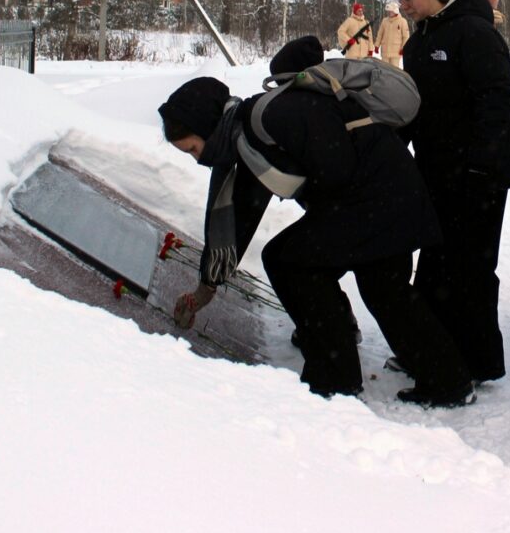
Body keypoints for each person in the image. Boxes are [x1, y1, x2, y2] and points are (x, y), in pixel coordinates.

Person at [160, 37, 473, 406]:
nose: (198, 159)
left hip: (377, 199)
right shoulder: (244, 137)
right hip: (386, 195)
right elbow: (241, 216)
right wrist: (206, 287)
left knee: (290, 261)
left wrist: (321, 211)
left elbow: (336, 165)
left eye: (194, 149)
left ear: (206, 126)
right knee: (382, 288)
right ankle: (446, 380)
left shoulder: (269, 118)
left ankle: (335, 373)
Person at [391, 0, 510, 385]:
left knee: (470, 268)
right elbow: (414, 108)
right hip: (437, 171)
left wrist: (484, 168)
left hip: (477, 176)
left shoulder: (474, 34)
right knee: (434, 260)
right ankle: (433, 348)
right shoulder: (421, 39)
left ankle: (476, 361)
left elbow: (496, 103)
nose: (402, 6)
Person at [373, 0, 410, 68]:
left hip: (396, 52)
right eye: (389, 11)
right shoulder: (384, 21)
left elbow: (406, 37)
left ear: (396, 11)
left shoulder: (402, 21)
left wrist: (403, 48)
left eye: (391, 11)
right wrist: (377, 45)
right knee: (384, 69)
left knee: (394, 71)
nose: (389, 12)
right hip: (385, 51)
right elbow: (380, 34)